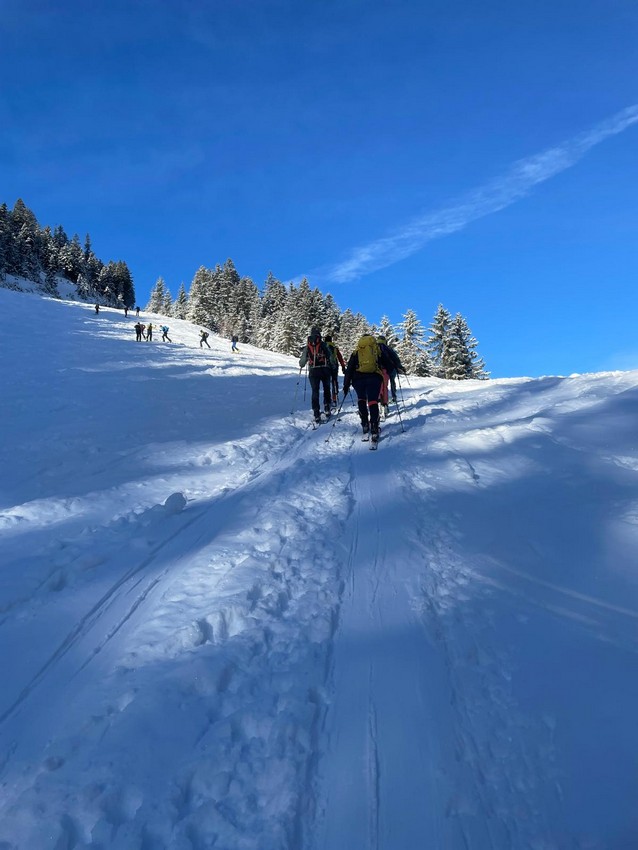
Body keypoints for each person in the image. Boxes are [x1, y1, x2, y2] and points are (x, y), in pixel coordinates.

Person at [343, 334, 394, 443]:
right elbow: (389, 365)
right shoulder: (376, 351)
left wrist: (346, 385)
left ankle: (365, 424)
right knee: (373, 401)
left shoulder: (356, 352)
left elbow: (349, 369)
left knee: (361, 399)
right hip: (374, 378)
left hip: (358, 379)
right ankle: (374, 427)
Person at [299, 326, 336, 423]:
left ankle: (316, 413)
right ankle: (327, 408)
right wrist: (333, 366)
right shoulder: (324, 344)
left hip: (313, 371)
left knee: (315, 391)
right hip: (325, 370)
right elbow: (331, 358)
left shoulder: (308, 345)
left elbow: (302, 362)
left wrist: (303, 363)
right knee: (326, 389)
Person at [377, 335, 406, 405]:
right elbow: (395, 358)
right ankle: (394, 396)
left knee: (381, 384)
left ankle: (379, 399)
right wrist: (400, 367)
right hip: (391, 369)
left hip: (380, 369)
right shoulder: (388, 348)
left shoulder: (375, 348)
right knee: (392, 382)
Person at [323, 334, 346, 405]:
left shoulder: (323, 347)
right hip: (334, 366)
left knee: (326, 382)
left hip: (326, 366)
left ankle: (327, 399)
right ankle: (334, 398)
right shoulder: (335, 347)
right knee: (334, 381)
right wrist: (343, 366)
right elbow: (340, 358)